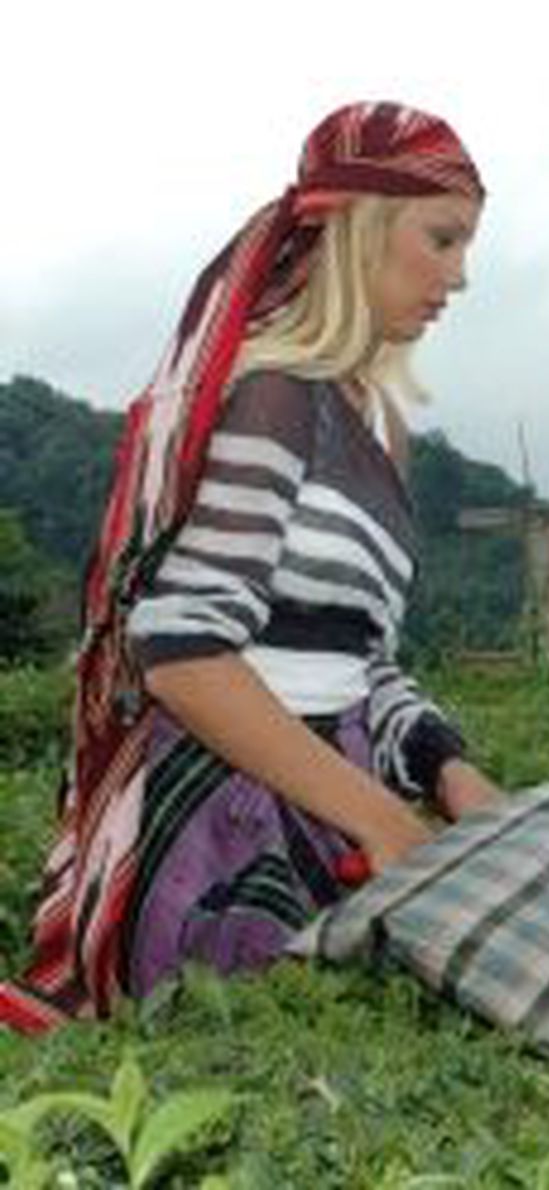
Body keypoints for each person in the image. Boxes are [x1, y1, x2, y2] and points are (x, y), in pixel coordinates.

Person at [0, 101, 502, 1033]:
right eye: (442, 239)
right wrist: (382, 821)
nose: (459, 276)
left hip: (338, 797)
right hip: (233, 826)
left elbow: (364, 666)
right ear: (358, 226)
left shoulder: (382, 428)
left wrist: (450, 775)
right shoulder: (276, 398)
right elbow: (184, 653)